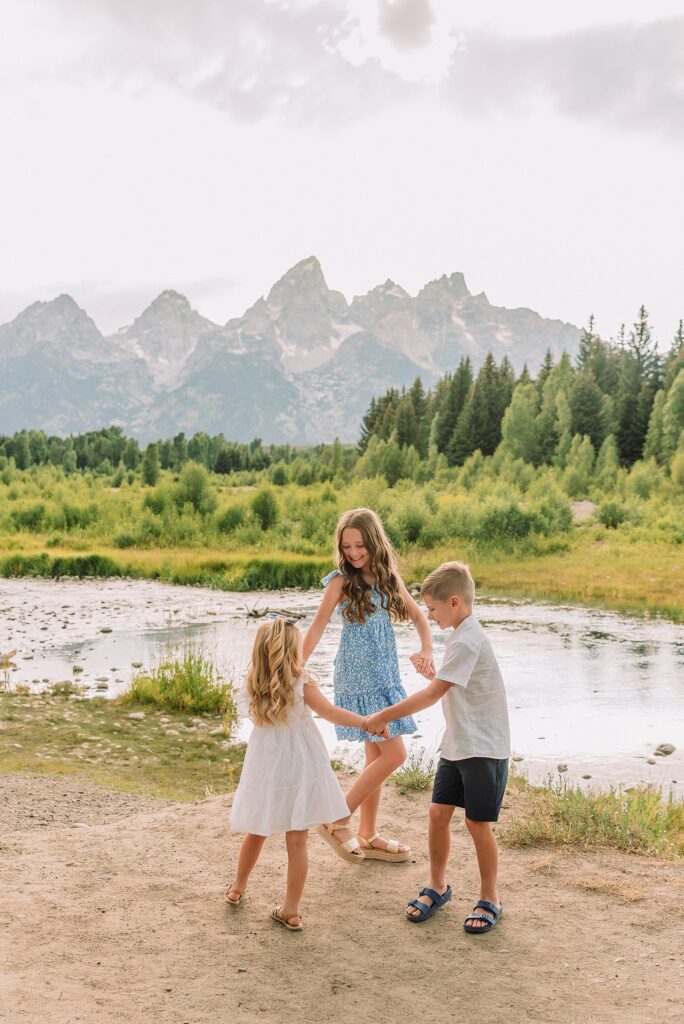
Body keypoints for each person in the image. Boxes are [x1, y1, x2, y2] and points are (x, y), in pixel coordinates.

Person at [364, 561, 510, 933]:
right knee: (437, 813)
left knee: (477, 823)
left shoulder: (469, 639)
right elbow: (449, 686)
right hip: (458, 743)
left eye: (432, 608)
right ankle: (438, 885)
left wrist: (385, 714)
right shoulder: (459, 636)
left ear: (455, 602)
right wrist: (434, 674)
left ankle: (490, 897)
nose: (429, 616)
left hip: (484, 746)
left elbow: (432, 696)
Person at [227, 617, 388, 932]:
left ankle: (237, 887)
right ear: (292, 650)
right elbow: (330, 713)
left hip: (267, 765)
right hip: (300, 764)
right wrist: (366, 722)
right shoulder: (302, 681)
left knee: (256, 830)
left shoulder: (253, 682)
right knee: (297, 840)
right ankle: (291, 910)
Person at [303, 507, 435, 863]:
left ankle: (369, 833)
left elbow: (419, 617)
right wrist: (294, 667)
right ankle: (337, 818)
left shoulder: (387, 577)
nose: (353, 553)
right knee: (395, 754)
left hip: (385, 676)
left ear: (374, 542)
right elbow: (316, 628)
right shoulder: (340, 582)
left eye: (360, 545)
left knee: (376, 755)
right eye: (346, 547)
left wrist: (426, 649)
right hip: (358, 678)